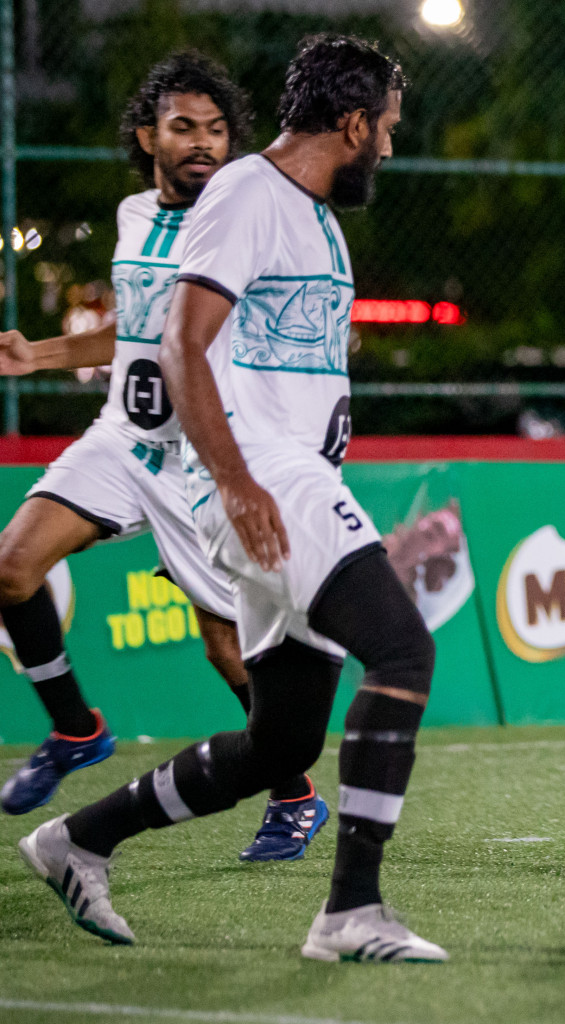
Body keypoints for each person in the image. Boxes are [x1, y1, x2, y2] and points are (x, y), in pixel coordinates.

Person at [18, 35, 446, 963]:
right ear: (352, 122)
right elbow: (178, 345)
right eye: (387, 132)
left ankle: (75, 840)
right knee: (404, 648)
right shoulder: (248, 192)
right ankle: (351, 913)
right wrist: (241, 481)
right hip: (266, 478)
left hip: (293, 479)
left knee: (279, 740)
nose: (388, 149)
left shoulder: (312, 215)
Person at [0, 53, 324, 862]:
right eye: (185, 127)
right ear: (149, 136)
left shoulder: (249, 217)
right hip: (123, 438)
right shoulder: (134, 213)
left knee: (227, 647)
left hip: (201, 456)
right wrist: (40, 354)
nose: (203, 144)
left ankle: (295, 793)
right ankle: (77, 731)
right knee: (9, 568)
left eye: (217, 130)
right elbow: (141, 327)